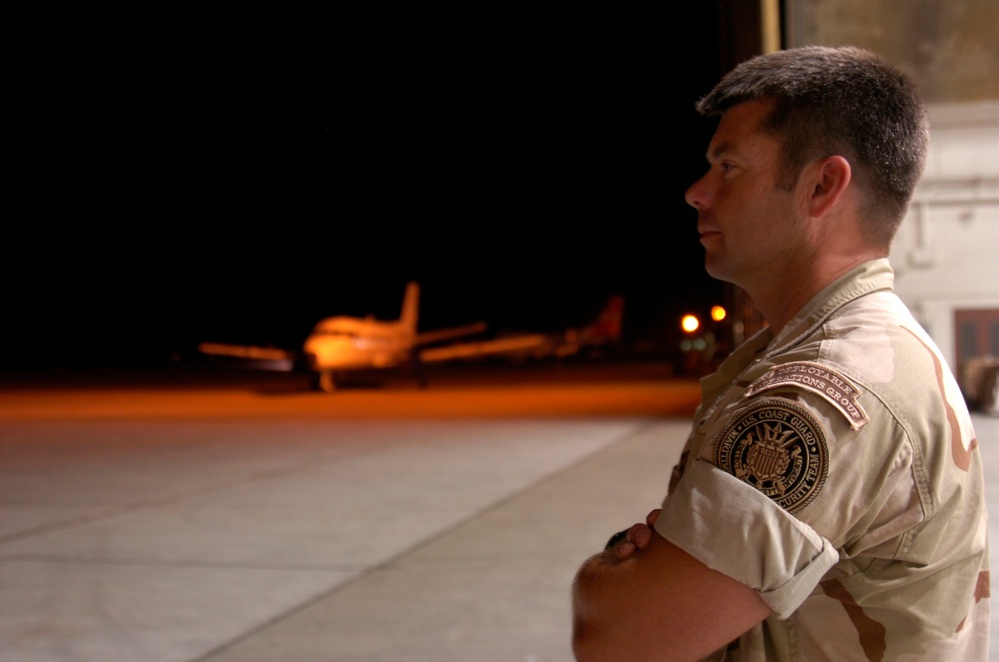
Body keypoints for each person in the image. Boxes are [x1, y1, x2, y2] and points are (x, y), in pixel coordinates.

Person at [571, 45, 990, 661]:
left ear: (822, 186)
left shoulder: (822, 394)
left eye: (729, 167)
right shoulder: (868, 346)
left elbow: (616, 637)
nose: (696, 192)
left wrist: (608, 569)